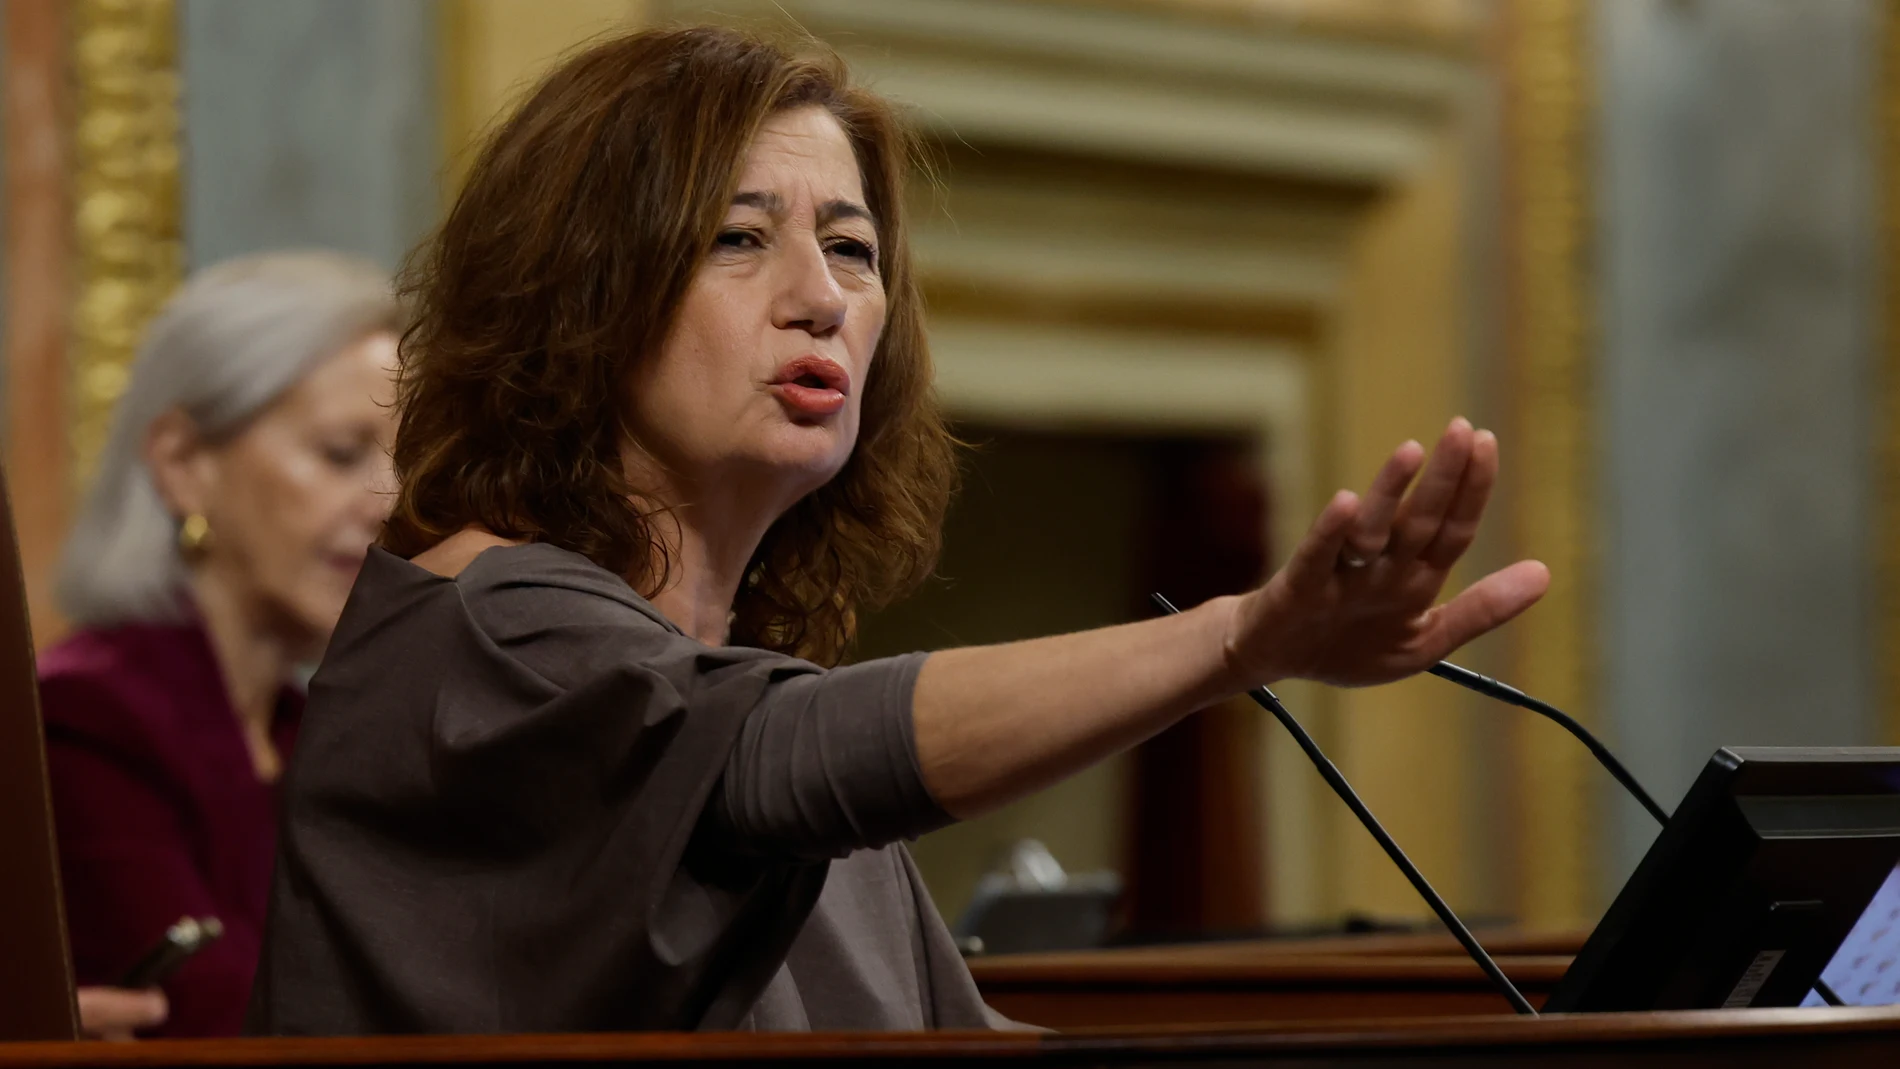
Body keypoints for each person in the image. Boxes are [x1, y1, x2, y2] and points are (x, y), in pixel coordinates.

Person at [251, 26, 1549, 1035]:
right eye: (737, 237)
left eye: (854, 249)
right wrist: (1237, 640)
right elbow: (769, 759)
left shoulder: (753, 720)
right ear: (575, 290)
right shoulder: (481, 634)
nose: (821, 298)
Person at [42, 251, 402, 1038]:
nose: (390, 504)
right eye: (343, 453)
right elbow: (224, 1020)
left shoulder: (313, 730)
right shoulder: (84, 718)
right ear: (182, 464)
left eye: (402, 462)